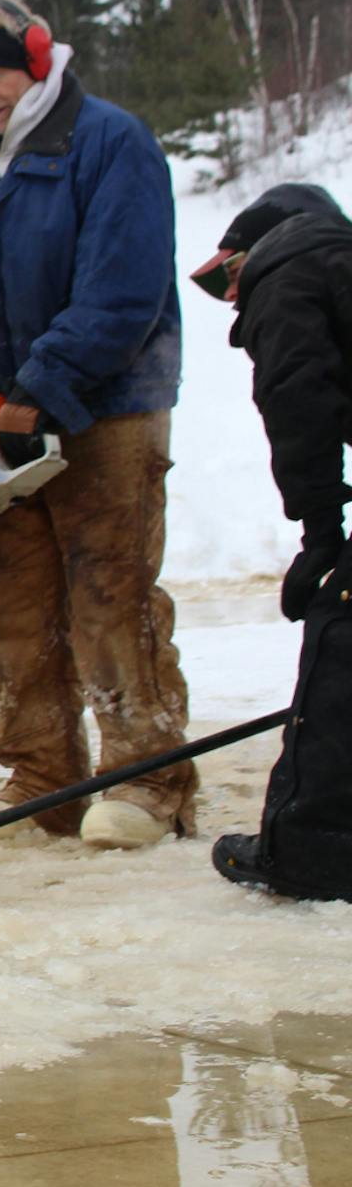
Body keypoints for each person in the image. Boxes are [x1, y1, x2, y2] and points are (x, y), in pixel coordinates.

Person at [0, 0, 190, 850]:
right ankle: (41, 780)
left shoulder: (109, 142)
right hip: (10, 420)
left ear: (35, 61)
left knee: (110, 595)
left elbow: (124, 291)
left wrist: (45, 385)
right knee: (9, 606)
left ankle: (147, 782)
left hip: (107, 407)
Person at [190, 184, 352, 900]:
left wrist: (323, 536)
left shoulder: (288, 266)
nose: (231, 299)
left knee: (341, 641)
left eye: (227, 276)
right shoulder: (336, 260)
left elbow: (296, 392)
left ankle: (309, 850)